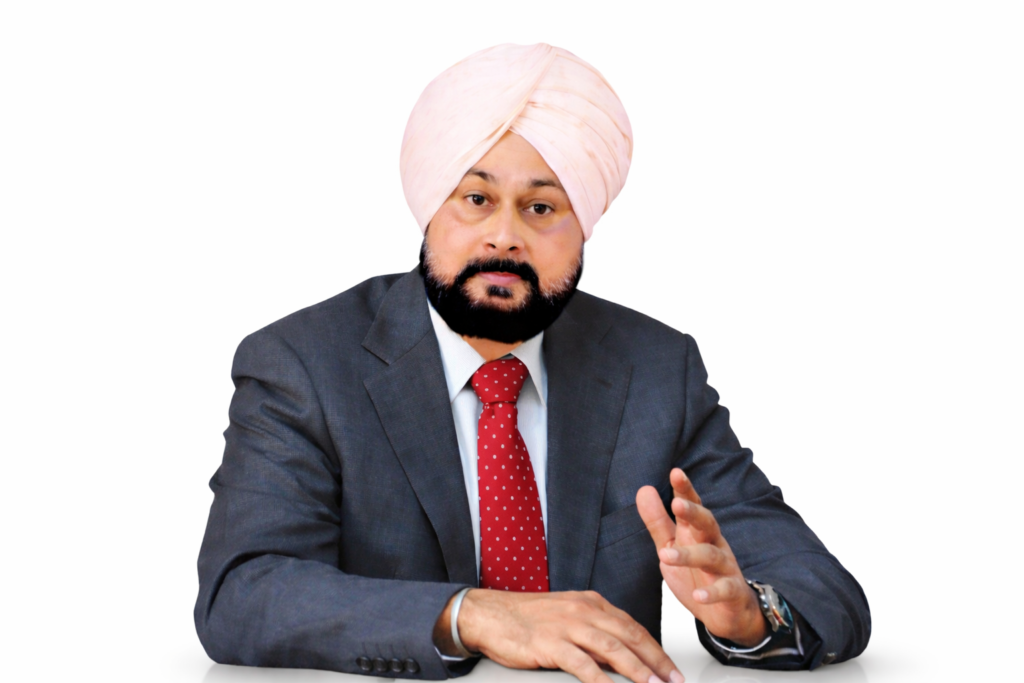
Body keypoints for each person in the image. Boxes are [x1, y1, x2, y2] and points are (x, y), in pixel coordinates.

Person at [194, 43, 870, 683]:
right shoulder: (303, 367)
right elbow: (241, 593)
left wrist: (750, 615)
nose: (505, 236)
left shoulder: (655, 372)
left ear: (584, 228)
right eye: (477, 199)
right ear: (431, 207)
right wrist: (473, 614)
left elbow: (826, 593)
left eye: (541, 207)